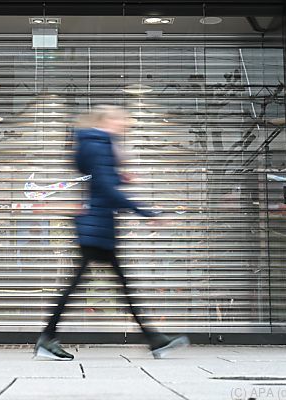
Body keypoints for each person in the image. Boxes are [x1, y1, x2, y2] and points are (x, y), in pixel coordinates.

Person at [34, 105, 189, 360]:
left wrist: (120, 178)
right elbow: (104, 188)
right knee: (85, 285)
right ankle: (47, 338)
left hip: (98, 226)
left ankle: (153, 339)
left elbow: (100, 181)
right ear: (109, 120)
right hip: (97, 227)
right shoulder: (100, 143)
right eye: (121, 119)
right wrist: (145, 212)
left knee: (117, 285)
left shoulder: (97, 142)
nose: (125, 123)